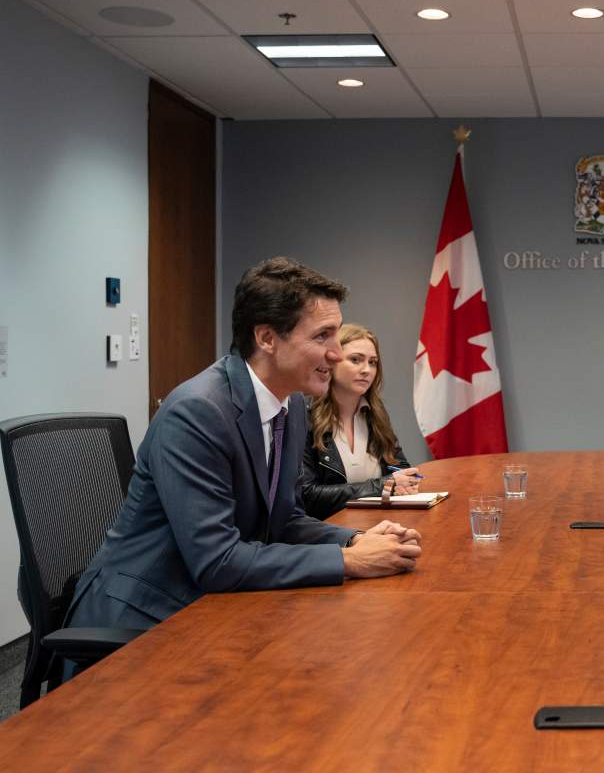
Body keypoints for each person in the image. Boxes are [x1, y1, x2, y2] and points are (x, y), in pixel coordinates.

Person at [67, 258, 422, 633]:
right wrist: (349, 561)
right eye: (322, 336)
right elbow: (217, 561)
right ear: (267, 338)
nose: (335, 353)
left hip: (214, 603)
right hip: (142, 616)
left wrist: (357, 539)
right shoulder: (197, 411)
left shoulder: (293, 405)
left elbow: (284, 520)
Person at [302, 323, 421, 519]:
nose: (367, 370)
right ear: (331, 361)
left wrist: (406, 478)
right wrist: (385, 485)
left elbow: (396, 465)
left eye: (373, 362)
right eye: (355, 360)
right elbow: (308, 496)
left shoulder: (375, 412)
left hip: (378, 523)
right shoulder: (305, 416)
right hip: (330, 534)